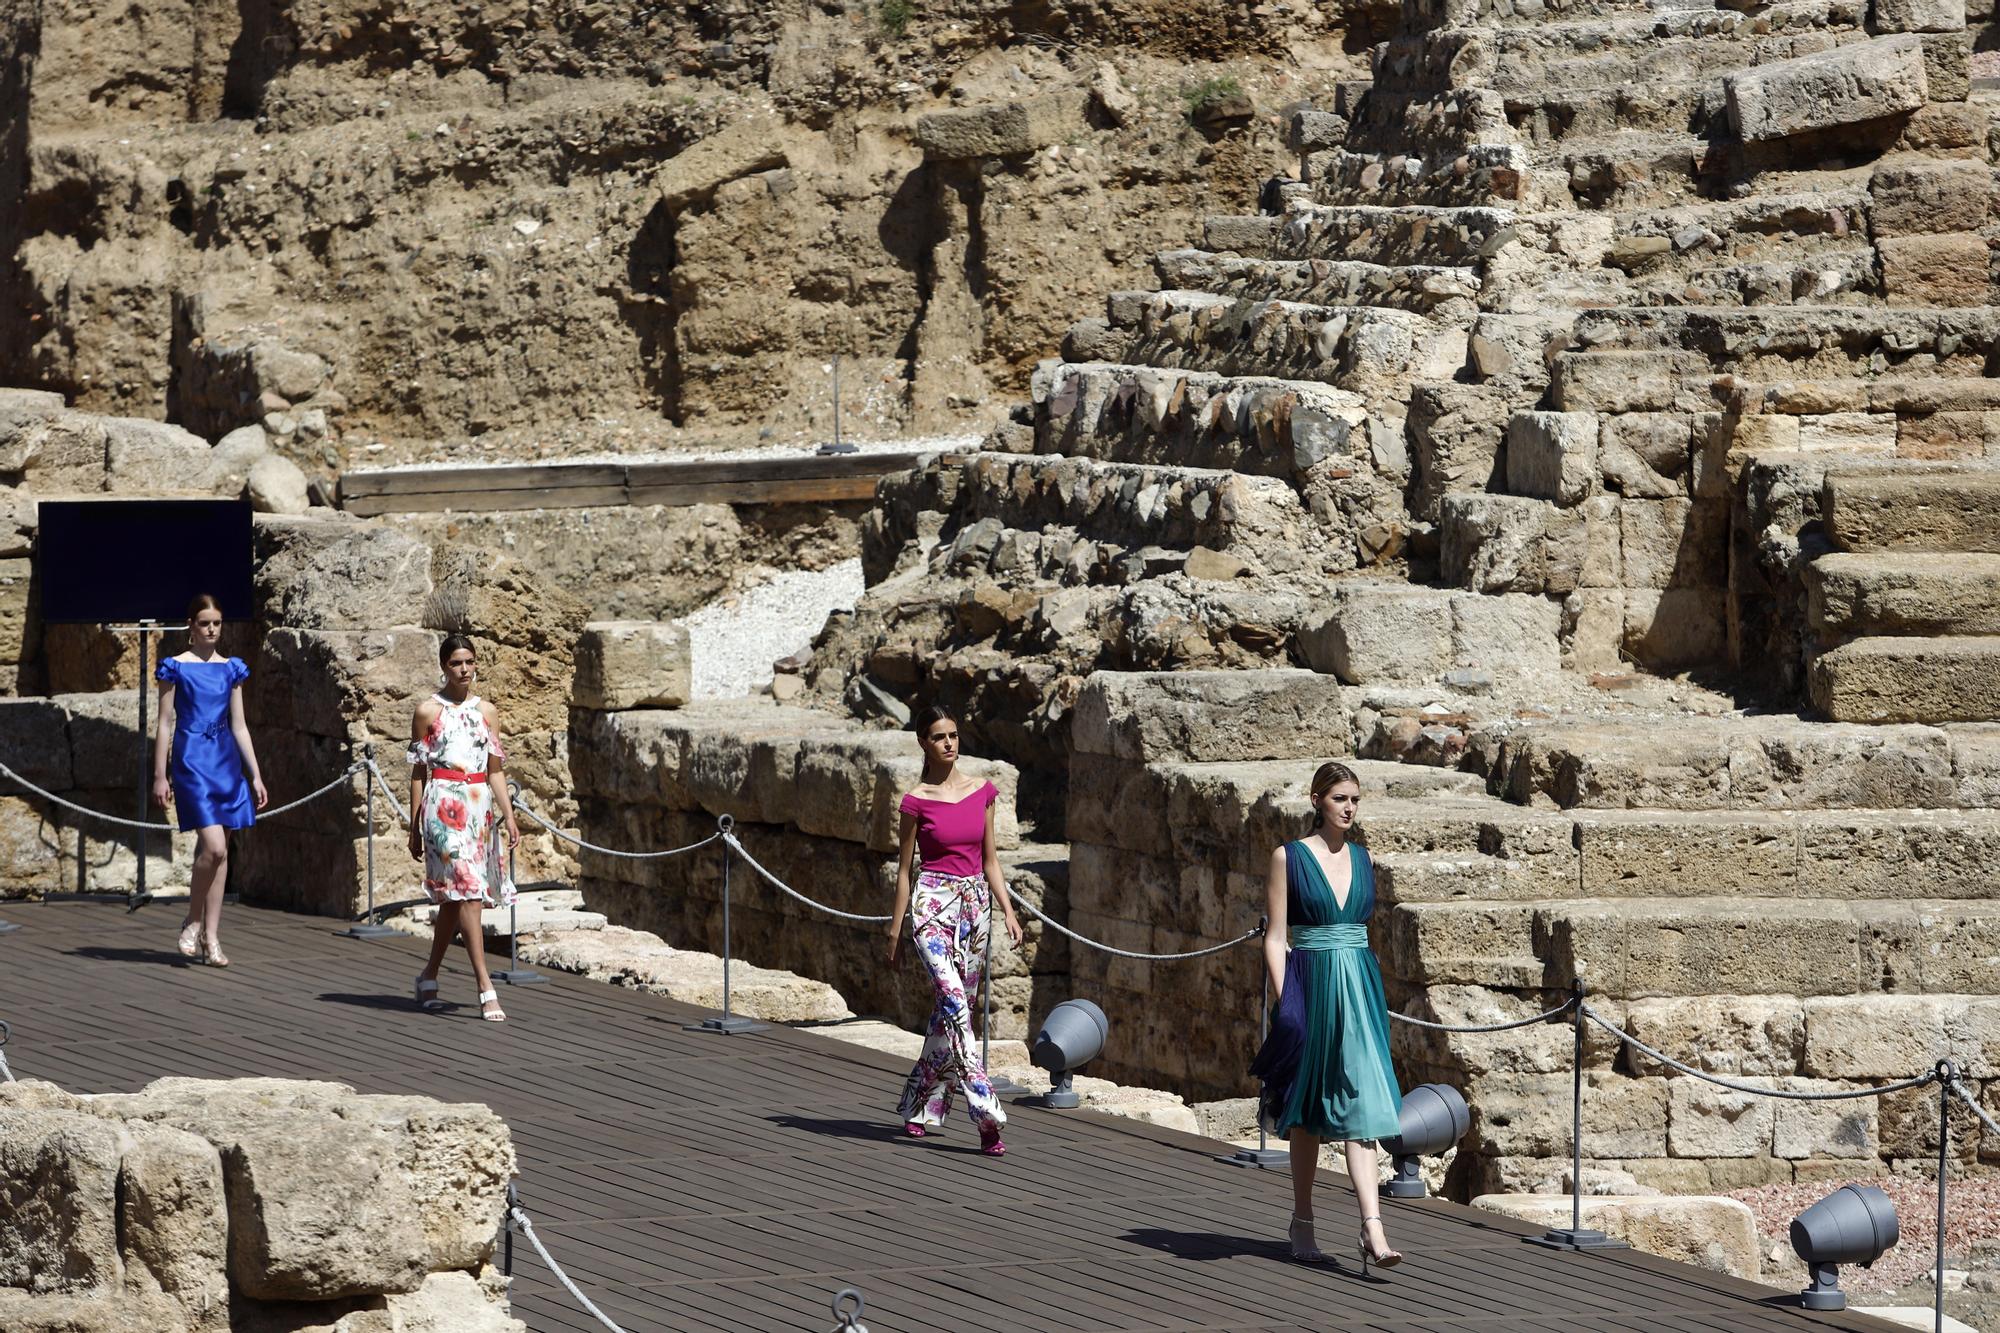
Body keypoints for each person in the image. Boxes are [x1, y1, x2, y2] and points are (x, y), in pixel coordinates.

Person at [1250, 761, 1404, 1272]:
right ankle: (1303, 1220)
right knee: (1309, 1113)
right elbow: (1276, 937)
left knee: (1360, 1104)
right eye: (1340, 798)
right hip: (1310, 984)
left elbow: (1361, 933)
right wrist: (1286, 1002)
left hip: (1358, 987)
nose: (1349, 808)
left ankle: (1372, 1227)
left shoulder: (1363, 858)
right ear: (1317, 800)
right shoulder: (1288, 857)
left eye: (1355, 799)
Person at [887, 705, 1025, 1156]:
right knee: (952, 1002)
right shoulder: (915, 800)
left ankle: (918, 1106)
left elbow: (990, 861)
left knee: (951, 1013)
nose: (949, 743)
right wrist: (894, 930)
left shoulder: (982, 793)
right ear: (923, 744)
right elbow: (905, 871)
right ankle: (986, 1114)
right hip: (931, 904)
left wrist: (1007, 909)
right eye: (939, 736)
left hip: (974, 908)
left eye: (954, 735)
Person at [406, 634, 519, 1022]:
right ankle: (485, 985)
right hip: (442, 804)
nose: (464, 669)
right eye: (456, 663)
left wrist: (510, 814)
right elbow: (419, 771)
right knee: (468, 889)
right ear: (443, 666)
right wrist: (414, 823)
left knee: (456, 900)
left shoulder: (487, 711)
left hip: (478, 805)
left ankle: (429, 976)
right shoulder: (427, 711)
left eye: (469, 661)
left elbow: (495, 769)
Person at [151, 593, 267, 967]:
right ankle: (193, 918)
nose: (212, 629)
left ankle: (212, 937)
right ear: (191, 626)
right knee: (213, 847)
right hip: (192, 760)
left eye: (216, 622)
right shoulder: (175, 667)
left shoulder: (231, 668)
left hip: (226, 761)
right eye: (204, 623)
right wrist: (159, 774)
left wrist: (256, 773)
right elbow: (165, 722)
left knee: (223, 852)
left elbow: (240, 725)